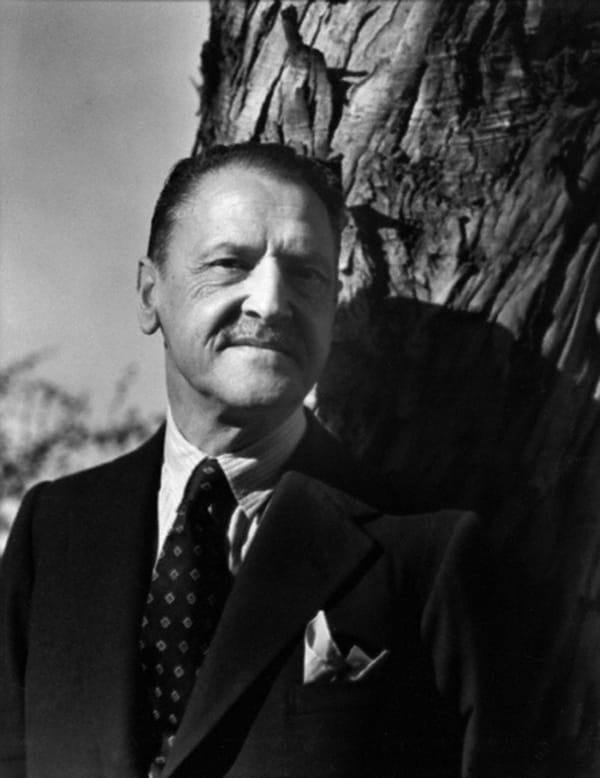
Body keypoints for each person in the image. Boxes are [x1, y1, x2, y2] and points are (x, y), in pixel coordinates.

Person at [0, 143, 520, 778]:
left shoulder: (425, 554)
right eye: (229, 264)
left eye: (307, 274)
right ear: (149, 293)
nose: (270, 303)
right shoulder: (54, 531)